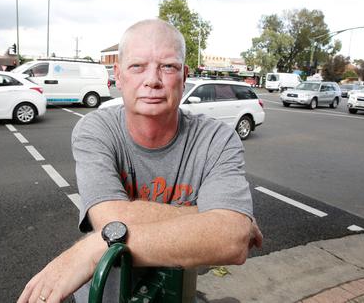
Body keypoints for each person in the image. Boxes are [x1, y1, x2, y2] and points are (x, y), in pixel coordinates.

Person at [17, 19, 262, 303]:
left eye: (167, 66)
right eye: (137, 66)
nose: (152, 80)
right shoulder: (96, 130)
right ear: (118, 76)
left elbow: (230, 241)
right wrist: (211, 217)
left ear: (184, 76)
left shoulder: (216, 138)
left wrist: (98, 245)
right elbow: (109, 220)